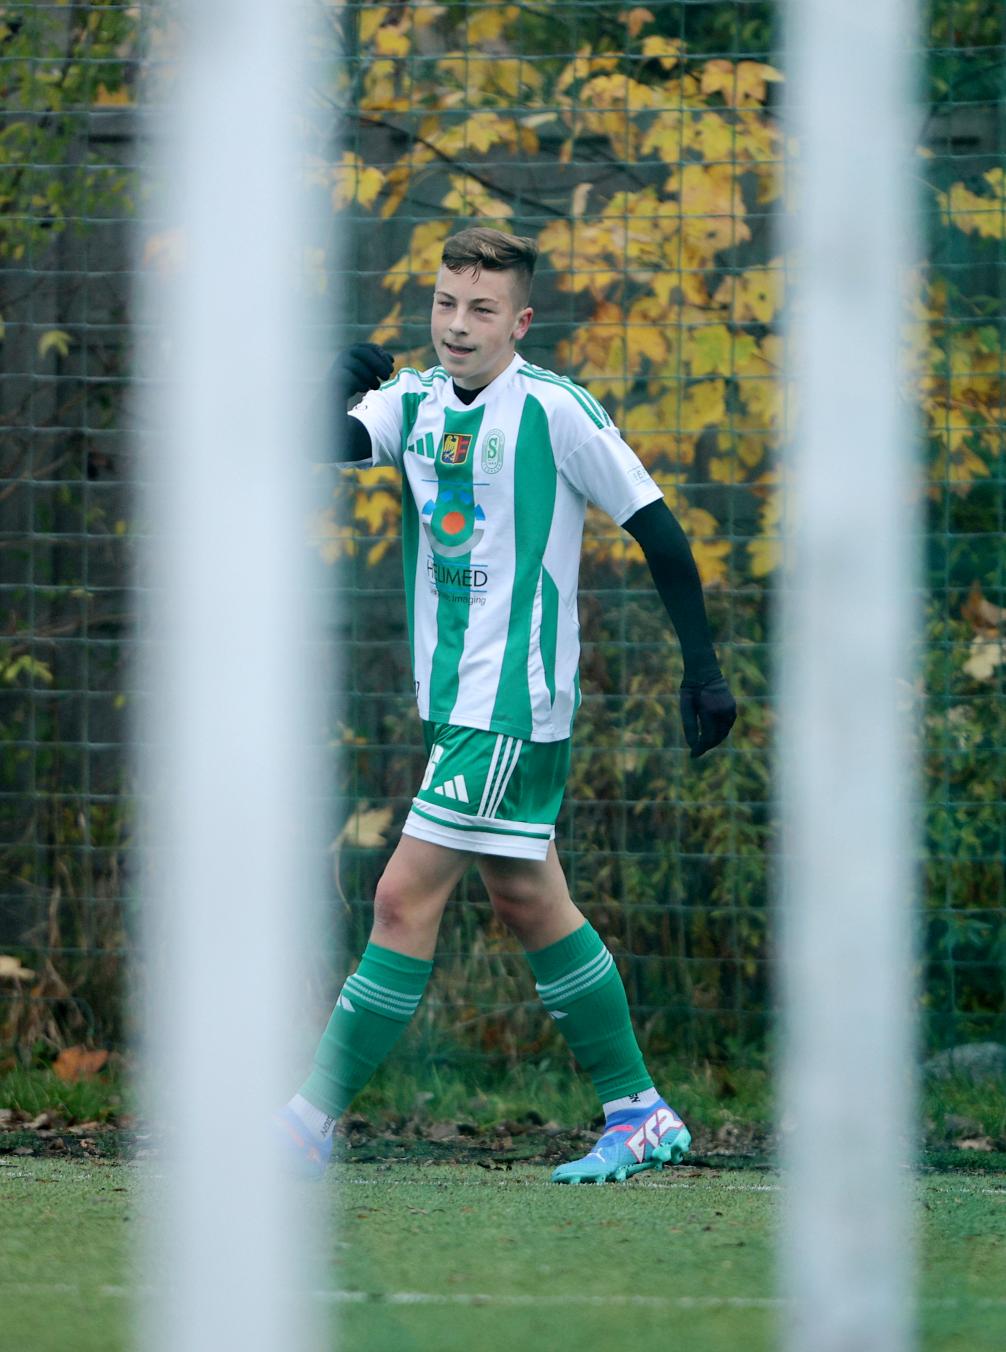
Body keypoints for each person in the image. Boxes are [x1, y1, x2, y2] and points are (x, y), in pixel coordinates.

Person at [277, 227, 736, 1183]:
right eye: (446, 303)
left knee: (401, 899)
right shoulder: (412, 403)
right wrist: (326, 387)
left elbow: (659, 531)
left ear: (519, 321)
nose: (458, 324)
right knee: (526, 898)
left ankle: (304, 1125)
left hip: (512, 706)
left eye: (482, 309)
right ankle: (639, 1111)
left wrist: (703, 668)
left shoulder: (557, 411)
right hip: (454, 704)